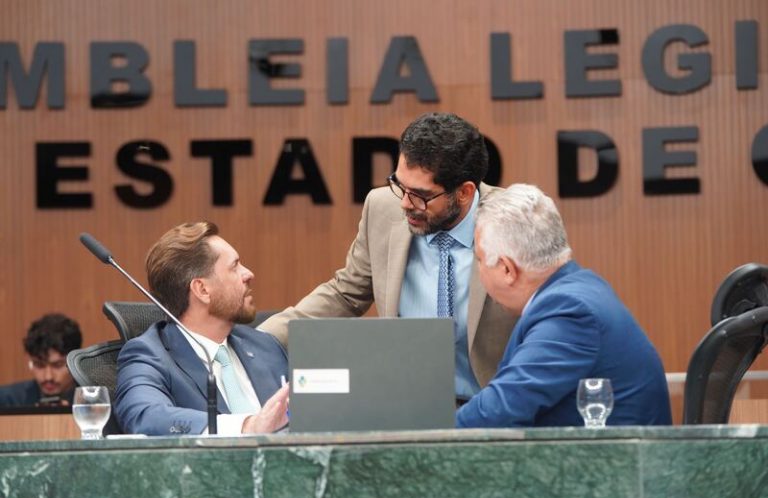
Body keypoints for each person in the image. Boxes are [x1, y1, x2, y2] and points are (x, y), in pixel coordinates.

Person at [260, 112, 517, 402]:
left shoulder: (517, 223)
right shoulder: (382, 207)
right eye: (399, 185)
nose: (405, 203)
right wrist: (259, 341)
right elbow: (345, 294)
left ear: (464, 193)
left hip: (494, 407)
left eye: (420, 195)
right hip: (406, 403)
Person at [456, 184, 672, 427]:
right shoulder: (579, 289)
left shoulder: (569, 313)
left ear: (507, 269)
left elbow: (501, 409)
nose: (479, 271)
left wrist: (428, 434)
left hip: (609, 452)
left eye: (480, 260)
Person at [115, 221, 289, 436]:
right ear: (202, 289)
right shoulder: (149, 355)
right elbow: (145, 417)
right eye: (234, 267)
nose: (249, 274)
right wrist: (247, 426)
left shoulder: (265, 346)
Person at [0, 313, 82, 407]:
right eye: (39, 365)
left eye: (58, 365)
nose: (48, 377)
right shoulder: (7, 400)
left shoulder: (93, 400)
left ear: (76, 362)